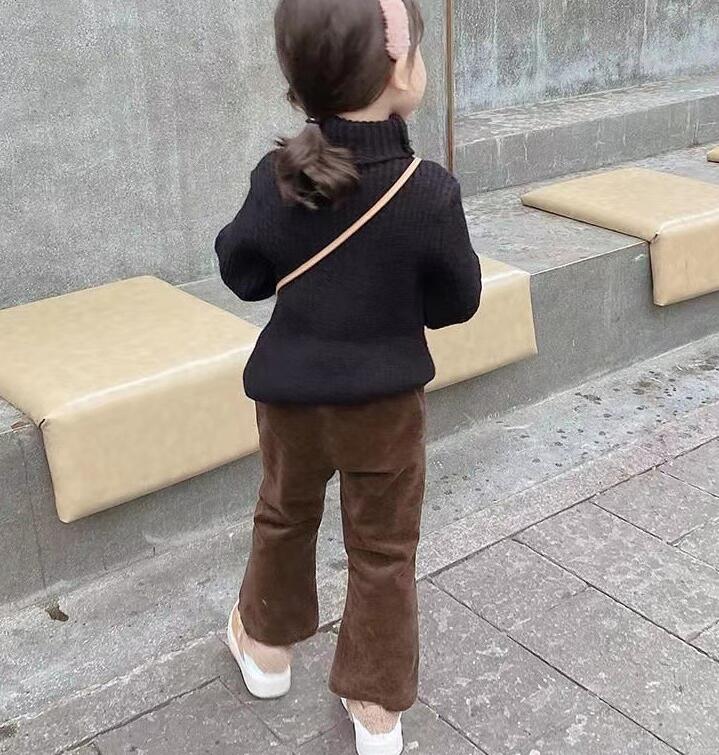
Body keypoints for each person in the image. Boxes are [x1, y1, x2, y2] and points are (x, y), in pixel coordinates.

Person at [215, 0, 481, 752]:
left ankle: (266, 651)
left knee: (283, 514)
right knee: (384, 551)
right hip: (384, 407)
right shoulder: (427, 190)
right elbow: (457, 301)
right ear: (398, 72)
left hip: (291, 400)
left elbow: (242, 274)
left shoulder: (277, 177)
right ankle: (375, 706)